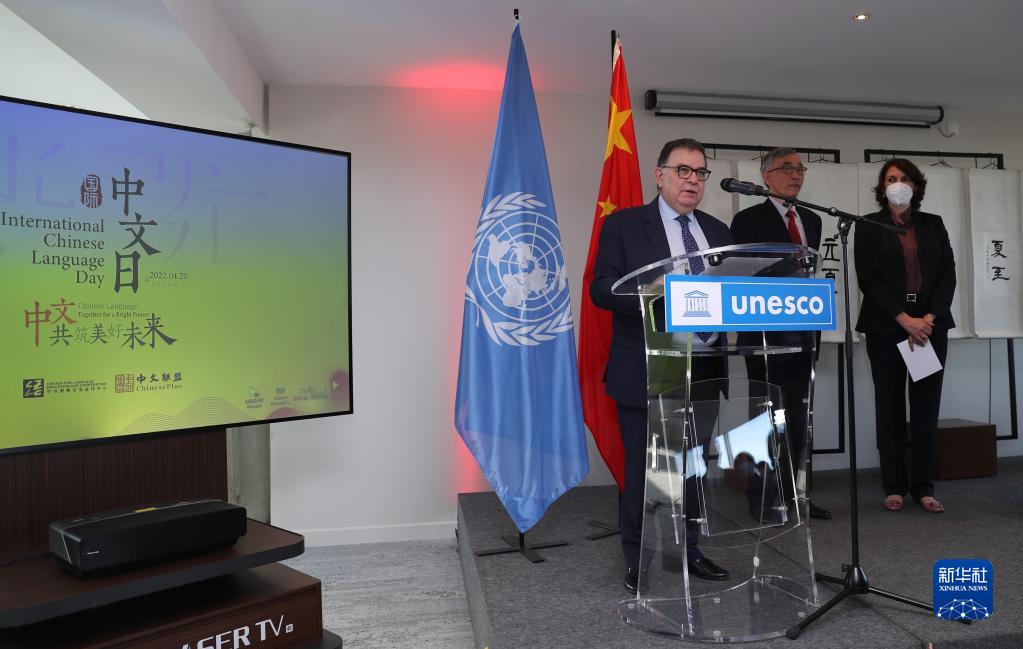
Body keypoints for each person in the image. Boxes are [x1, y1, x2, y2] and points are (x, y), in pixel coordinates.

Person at [591, 138, 732, 592]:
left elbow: (732, 292)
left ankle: (689, 550)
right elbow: (601, 288)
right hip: (648, 368)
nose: (692, 180)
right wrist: (654, 294)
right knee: (644, 471)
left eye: (700, 172)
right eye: (682, 170)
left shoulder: (719, 231)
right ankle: (638, 559)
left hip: (704, 367)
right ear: (660, 175)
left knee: (692, 467)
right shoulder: (625, 225)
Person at [730, 148, 831, 521]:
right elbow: (744, 273)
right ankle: (764, 499)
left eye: (800, 168)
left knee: (799, 417)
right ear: (766, 176)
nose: (796, 175)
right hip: (764, 334)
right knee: (764, 417)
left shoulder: (812, 219)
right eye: (787, 168)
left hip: (803, 335)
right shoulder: (747, 220)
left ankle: (796, 494)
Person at [854, 158, 955, 514]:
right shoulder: (868, 225)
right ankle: (894, 485)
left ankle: (923, 487)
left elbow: (947, 274)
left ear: (916, 185)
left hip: (928, 327)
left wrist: (927, 318)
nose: (898, 184)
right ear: (882, 188)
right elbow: (868, 279)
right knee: (890, 405)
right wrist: (904, 320)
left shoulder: (932, 223)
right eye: (891, 178)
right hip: (887, 326)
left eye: (905, 178)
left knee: (926, 406)